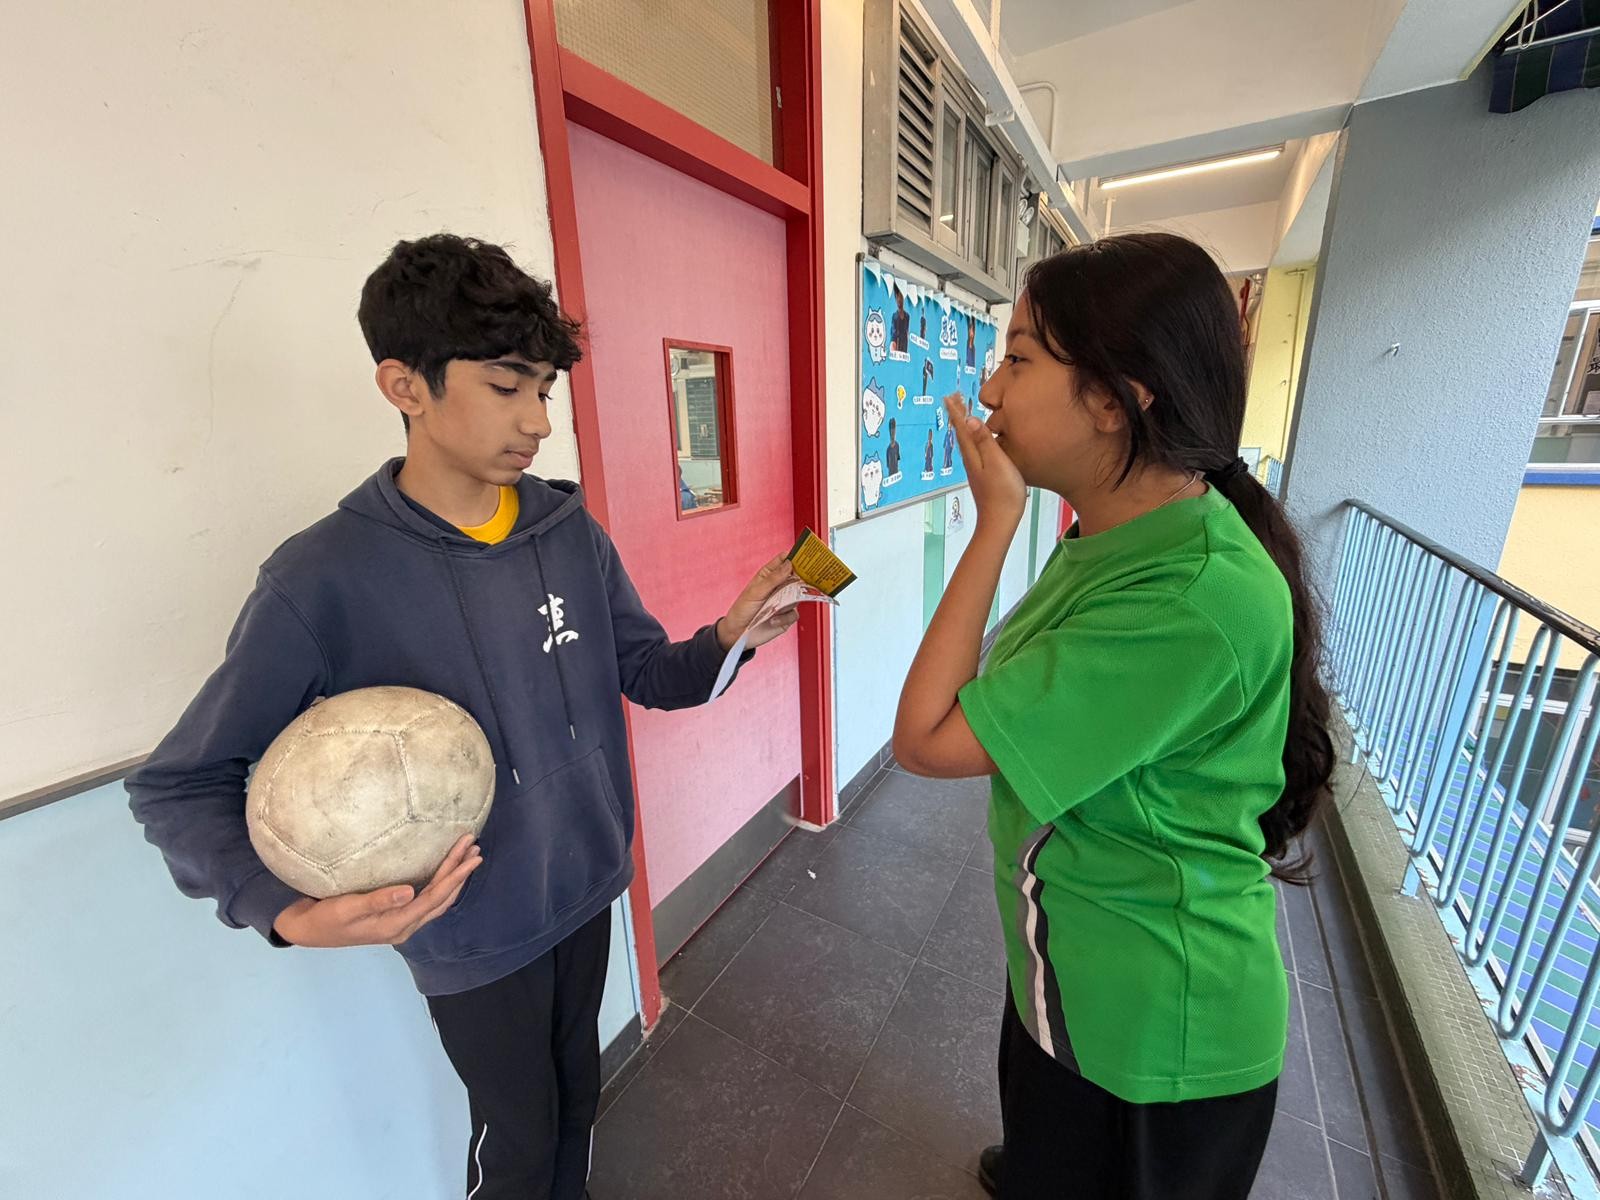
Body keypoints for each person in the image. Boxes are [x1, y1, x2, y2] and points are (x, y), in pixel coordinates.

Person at [126, 234, 799, 1200]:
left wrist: (732, 635)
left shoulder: (568, 532)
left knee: (578, 1101)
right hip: (471, 926)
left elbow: (651, 673)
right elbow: (179, 784)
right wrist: (285, 914)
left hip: (586, 880)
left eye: (545, 391)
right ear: (404, 386)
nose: (537, 421)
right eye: (506, 386)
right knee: (517, 1143)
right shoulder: (322, 579)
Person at [893, 232, 1333, 1200]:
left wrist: (993, 523)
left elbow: (924, 738)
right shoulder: (1120, 536)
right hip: (1073, 971)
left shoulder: (1190, 597)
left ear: (1113, 400)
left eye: (1018, 359)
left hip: (1152, 1040)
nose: (990, 389)